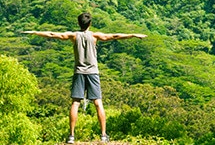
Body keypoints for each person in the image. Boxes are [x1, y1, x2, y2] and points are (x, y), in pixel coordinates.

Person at [22, 12, 147, 144]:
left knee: (75, 103)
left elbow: (53, 34)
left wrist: (35, 32)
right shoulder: (94, 36)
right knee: (98, 103)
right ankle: (104, 135)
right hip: (93, 73)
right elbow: (114, 36)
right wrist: (133, 35)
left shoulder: (74, 36)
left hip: (78, 72)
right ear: (90, 24)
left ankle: (71, 136)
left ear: (78, 23)